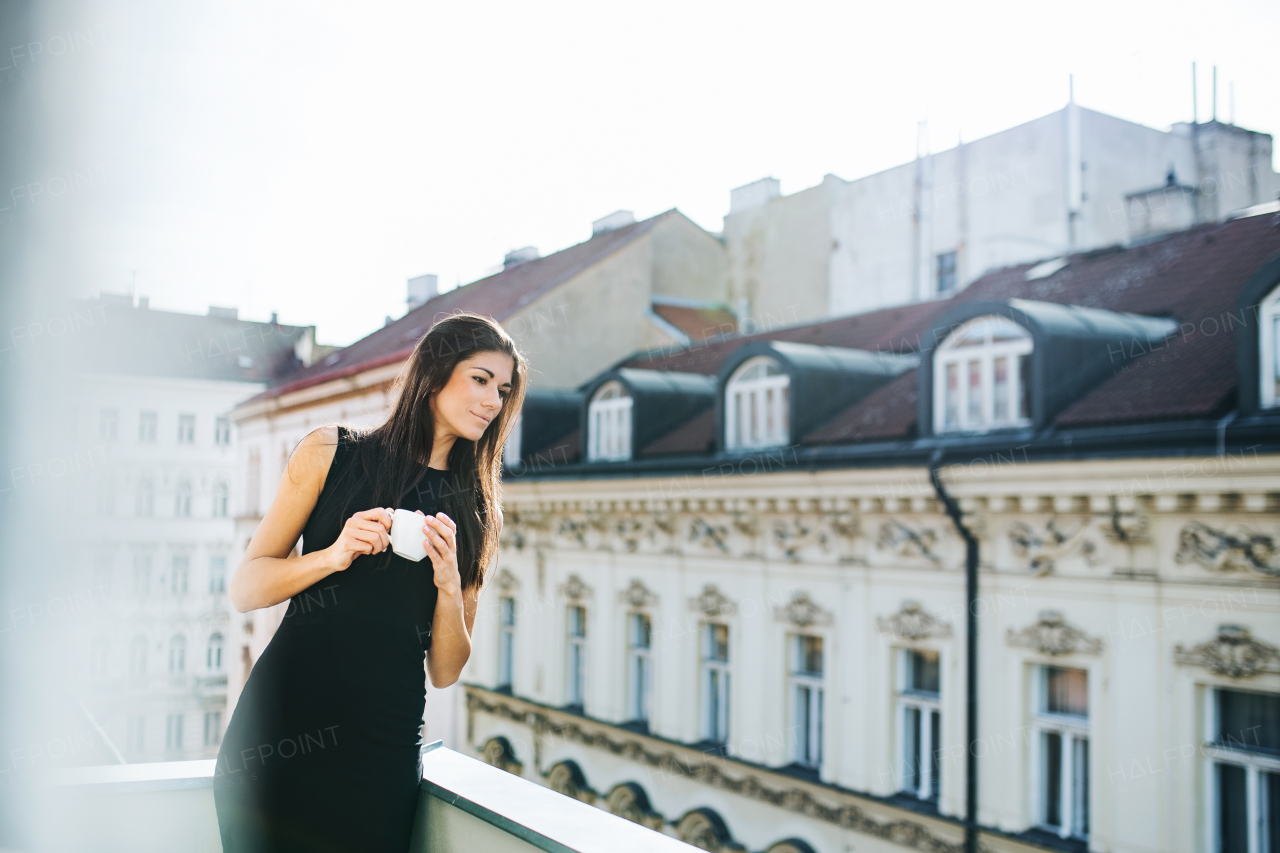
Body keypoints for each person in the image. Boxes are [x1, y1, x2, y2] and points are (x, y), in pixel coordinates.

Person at [213, 313, 526, 852]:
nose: (493, 401)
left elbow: (446, 670)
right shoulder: (330, 452)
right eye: (479, 379)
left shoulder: (477, 510)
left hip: (381, 751)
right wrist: (333, 557)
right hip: (280, 730)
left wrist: (450, 586)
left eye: (503, 390)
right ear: (432, 376)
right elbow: (245, 588)